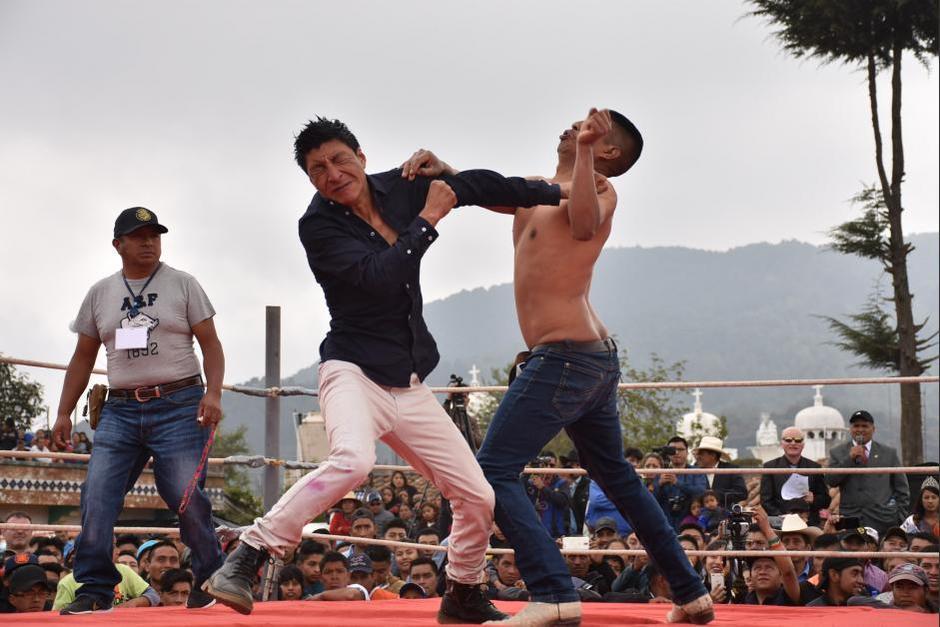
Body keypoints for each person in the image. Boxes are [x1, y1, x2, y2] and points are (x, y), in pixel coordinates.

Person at [204, 117, 563, 623]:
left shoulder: (403, 185)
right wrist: (430, 218)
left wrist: (558, 192)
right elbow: (379, 277)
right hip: (351, 370)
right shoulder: (318, 227)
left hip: (407, 380)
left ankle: (463, 592)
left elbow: (474, 186)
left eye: (339, 160)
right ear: (310, 180)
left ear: (362, 157)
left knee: (478, 494)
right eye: (318, 169)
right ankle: (249, 553)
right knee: (353, 461)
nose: (333, 174)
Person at [407, 108, 712, 625]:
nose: (573, 127)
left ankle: (552, 592)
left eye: (589, 129)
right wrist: (445, 171)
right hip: (583, 359)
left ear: (608, 151)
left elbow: (584, 223)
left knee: (493, 470)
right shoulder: (537, 188)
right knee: (616, 476)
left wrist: (586, 149)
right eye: (577, 125)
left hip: (568, 357)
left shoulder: (600, 189)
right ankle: (691, 593)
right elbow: (487, 191)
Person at [51, 207, 225, 614]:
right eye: (139, 236)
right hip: (121, 408)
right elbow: (82, 357)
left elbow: (211, 344)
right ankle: (95, 588)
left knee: (184, 495)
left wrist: (214, 393)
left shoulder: (183, 284)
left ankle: (210, 577)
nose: (149, 242)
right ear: (118, 244)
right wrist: (63, 412)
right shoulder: (100, 293)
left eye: (155, 235)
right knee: (97, 493)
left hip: (180, 403)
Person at [826, 410, 910, 536]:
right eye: (856, 426)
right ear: (850, 429)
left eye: (865, 426)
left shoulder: (888, 453)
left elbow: (902, 488)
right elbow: (831, 480)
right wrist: (849, 459)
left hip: (882, 519)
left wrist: (899, 516)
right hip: (850, 518)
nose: (860, 430)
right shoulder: (838, 452)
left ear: (873, 429)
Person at [760, 427, 831, 526]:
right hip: (781, 524)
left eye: (798, 440)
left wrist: (814, 499)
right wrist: (784, 517)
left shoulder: (815, 467)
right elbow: (766, 501)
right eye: (788, 440)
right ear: (782, 443)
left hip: (809, 523)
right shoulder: (770, 467)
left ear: (803, 444)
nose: (793, 443)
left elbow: (826, 500)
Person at [656, 437, 708, 530]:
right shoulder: (659, 472)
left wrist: (677, 483)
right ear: (667, 453)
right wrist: (659, 484)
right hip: (664, 524)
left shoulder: (697, 472)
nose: (676, 453)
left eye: (680, 449)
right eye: (672, 450)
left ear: (687, 452)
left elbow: (701, 493)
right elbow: (649, 498)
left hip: (691, 524)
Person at [693, 437, 747, 508]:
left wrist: (715, 494)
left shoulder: (731, 470)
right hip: (700, 514)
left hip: (726, 513)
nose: (697, 457)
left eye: (701, 453)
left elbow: (741, 493)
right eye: (697, 454)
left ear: (713, 455)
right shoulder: (693, 470)